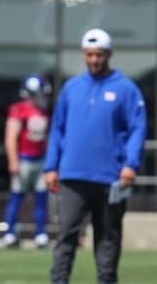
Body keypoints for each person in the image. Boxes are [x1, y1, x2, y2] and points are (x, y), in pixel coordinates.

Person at [44, 28, 147, 284]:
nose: (94, 60)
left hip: (111, 178)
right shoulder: (71, 88)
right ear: (84, 54)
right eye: (90, 55)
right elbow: (57, 129)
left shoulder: (127, 89)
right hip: (72, 176)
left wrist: (131, 165)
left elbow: (138, 129)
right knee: (66, 236)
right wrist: (51, 166)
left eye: (99, 54)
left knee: (108, 238)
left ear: (109, 54)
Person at [1, 74, 52, 249]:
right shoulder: (19, 109)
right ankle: (9, 233)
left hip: (41, 159)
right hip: (24, 159)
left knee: (41, 198)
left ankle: (41, 233)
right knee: (16, 197)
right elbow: (11, 137)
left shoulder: (44, 110)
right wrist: (13, 161)